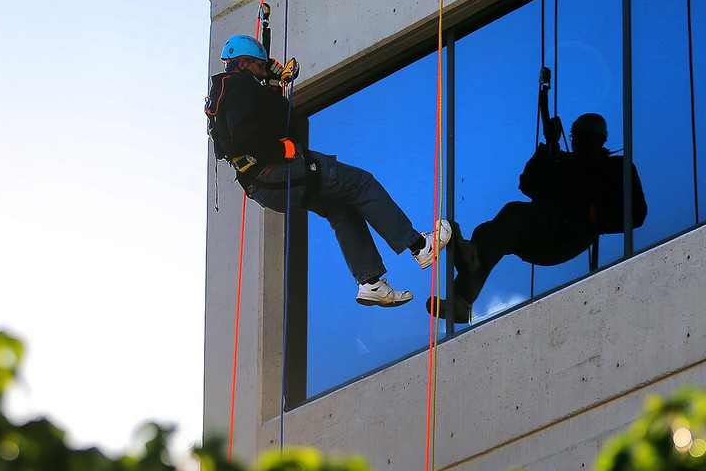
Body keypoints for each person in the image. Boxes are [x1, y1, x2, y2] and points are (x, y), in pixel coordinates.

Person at [205, 33, 451, 307]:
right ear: (243, 63)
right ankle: (419, 246)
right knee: (361, 183)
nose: (263, 72)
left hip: (264, 186)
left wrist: (273, 85)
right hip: (277, 170)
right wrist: (280, 150)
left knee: (340, 209)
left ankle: (370, 282)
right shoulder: (240, 84)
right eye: (260, 67)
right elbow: (247, 135)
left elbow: (272, 120)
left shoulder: (226, 91)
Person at [432, 112, 647, 322]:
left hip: (567, 234)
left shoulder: (615, 168)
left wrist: (592, 214)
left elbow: (637, 214)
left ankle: (472, 262)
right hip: (546, 233)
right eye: (576, 137)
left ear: (599, 140)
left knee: (513, 214)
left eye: (584, 137)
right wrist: (546, 150)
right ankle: (461, 300)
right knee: (487, 233)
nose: (577, 143)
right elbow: (528, 184)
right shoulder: (563, 162)